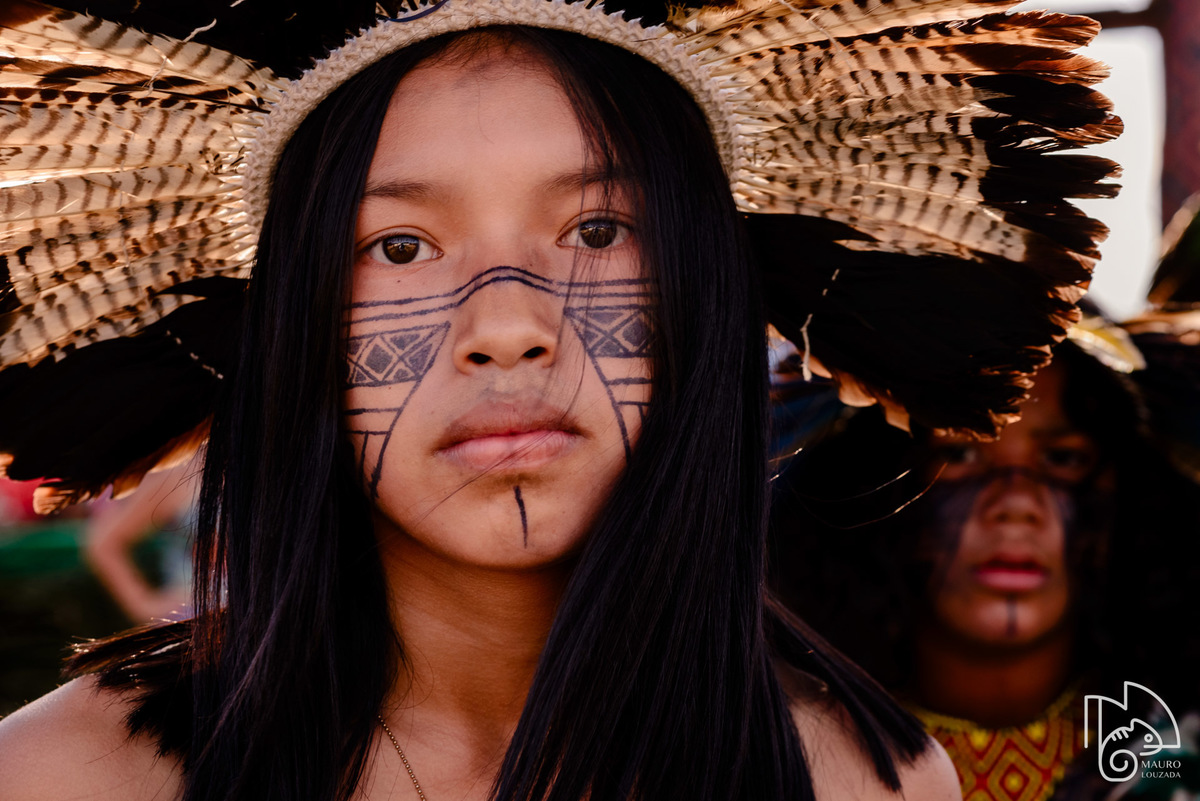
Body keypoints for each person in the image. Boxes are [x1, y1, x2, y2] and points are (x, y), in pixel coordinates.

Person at [0, 1, 1120, 799]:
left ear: (710, 293)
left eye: (598, 230)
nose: (508, 325)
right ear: (291, 326)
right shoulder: (61, 781)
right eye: (399, 245)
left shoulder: (867, 782)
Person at [769, 233, 1200, 799]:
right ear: (875, 489)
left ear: (1127, 498)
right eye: (963, 455)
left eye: (1063, 460)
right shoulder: (771, 758)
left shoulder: (1180, 758)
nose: (1016, 504)